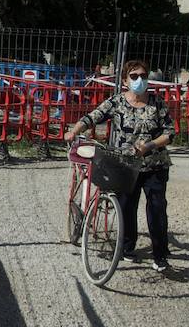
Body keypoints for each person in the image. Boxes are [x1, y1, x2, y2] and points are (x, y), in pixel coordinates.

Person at [66, 59, 177, 272]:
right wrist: (75, 130)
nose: (139, 80)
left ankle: (160, 256)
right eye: (134, 77)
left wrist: (151, 145)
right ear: (125, 81)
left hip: (155, 165)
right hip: (125, 164)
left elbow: (169, 133)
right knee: (126, 206)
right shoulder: (116, 102)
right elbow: (92, 117)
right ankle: (126, 247)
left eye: (143, 76)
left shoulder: (158, 103)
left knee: (157, 209)